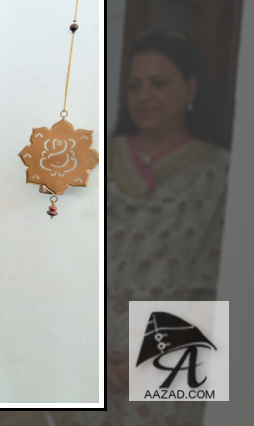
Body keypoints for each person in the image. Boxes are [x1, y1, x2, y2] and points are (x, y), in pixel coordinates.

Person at [59, 29, 229, 425]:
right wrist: (94, 351)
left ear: (191, 87)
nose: (144, 95)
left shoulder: (222, 172)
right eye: (134, 85)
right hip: (94, 345)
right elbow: (72, 260)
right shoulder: (99, 160)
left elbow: (220, 282)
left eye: (160, 83)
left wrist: (146, 362)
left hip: (180, 353)